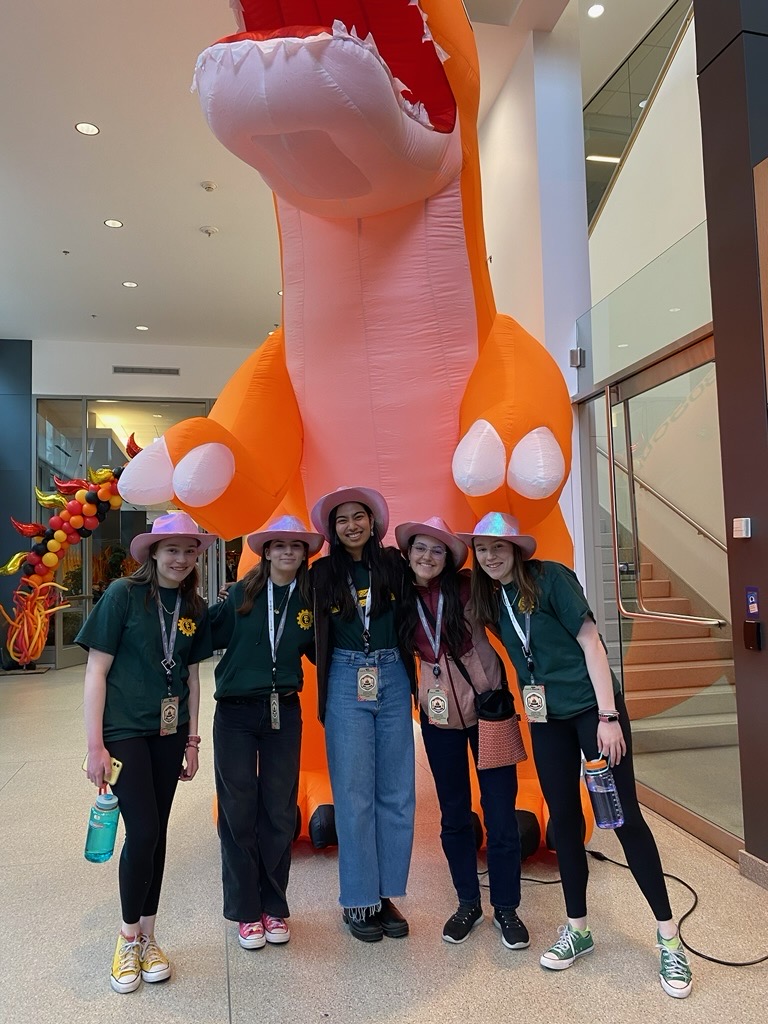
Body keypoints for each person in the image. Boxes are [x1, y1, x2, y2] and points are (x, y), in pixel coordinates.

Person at [464, 511, 693, 999]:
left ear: (517, 549)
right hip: (547, 721)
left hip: (593, 713)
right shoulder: (490, 597)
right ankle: (578, 929)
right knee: (564, 820)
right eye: (481, 549)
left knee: (624, 819)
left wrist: (609, 716)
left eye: (498, 547)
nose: (490, 556)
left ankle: (670, 939)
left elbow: (591, 641)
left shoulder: (550, 578)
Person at [78, 511, 214, 994]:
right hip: (123, 731)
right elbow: (95, 671)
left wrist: (193, 740)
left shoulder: (194, 605)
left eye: (189, 550)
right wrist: (95, 745)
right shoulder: (123, 595)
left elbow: (193, 677)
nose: (181, 558)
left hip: (169, 732)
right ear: (152, 552)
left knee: (158, 834)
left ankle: (149, 937)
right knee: (144, 831)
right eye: (172, 549)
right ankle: (126, 937)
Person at [396, 516, 529, 950]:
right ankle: (468, 902)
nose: (428, 556)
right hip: (438, 719)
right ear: (408, 553)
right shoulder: (400, 596)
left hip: (490, 709)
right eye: (420, 548)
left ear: (449, 558)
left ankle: (506, 907)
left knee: (500, 811)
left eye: (438, 550)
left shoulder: (471, 587)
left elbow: (514, 625)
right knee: (453, 813)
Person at [209, 515, 323, 950]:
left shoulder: (309, 601)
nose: (288, 552)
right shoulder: (241, 595)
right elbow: (202, 634)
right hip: (236, 714)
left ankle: (274, 906)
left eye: (296, 546)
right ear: (267, 551)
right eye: (280, 545)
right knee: (238, 809)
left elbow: (324, 651)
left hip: (284, 712)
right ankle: (245, 910)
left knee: (278, 810)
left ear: (304, 554)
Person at [310, 486, 416, 942]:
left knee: (397, 792)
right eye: (342, 519)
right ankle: (357, 898)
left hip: (393, 675)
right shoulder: (321, 574)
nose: (351, 525)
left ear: (373, 523)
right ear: (332, 530)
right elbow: (307, 631)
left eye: (359, 516)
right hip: (344, 677)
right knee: (354, 795)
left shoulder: (394, 565)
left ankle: (385, 893)